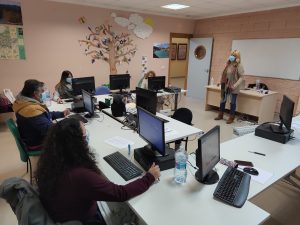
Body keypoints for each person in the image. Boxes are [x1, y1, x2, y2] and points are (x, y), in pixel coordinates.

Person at [36, 118, 160, 224]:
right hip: (86, 220)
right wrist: (150, 177)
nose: (87, 137)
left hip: (67, 213)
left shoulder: (52, 161)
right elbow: (121, 193)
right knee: (129, 209)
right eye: (85, 135)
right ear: (76, 143)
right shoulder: (79, 175)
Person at [12, 79, 70, 151]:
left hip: (33, 137)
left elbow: (44, 115)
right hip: (38, 143)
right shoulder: (30, 109)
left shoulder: (23, 102)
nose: (43, 93)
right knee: (71, 137)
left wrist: (61, 114)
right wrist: (69, 123)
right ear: (35, 93)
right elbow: (49, 129)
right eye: (42, 91)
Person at [215, 50, 245, 124]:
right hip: (225, 85)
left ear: (237, 57)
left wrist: (235, 85)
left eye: (234, 55)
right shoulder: (228, 64)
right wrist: (220, 82)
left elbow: (242, 77)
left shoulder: (239, 66)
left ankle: (231, 117)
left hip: (233, 86)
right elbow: (224, 74)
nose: (232, 56)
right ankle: (220, 115)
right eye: (231, 55)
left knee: (232, 102)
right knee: (222, 100)